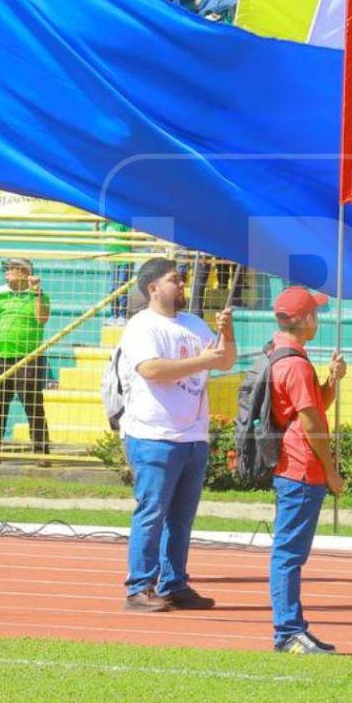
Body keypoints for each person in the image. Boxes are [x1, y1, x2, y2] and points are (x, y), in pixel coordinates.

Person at [118, 257, 234, 612]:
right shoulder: (142, 327)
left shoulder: (194, 323)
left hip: (192, 437)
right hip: (154, 434)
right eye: (174, 280)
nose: (182, 284)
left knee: (181, 518)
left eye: (181, 279)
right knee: (152, 512)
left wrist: (227, 332)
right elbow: (152, 369)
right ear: (153, 288)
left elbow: (225, 361)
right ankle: (139, 586)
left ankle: (174, 583)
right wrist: (203, 361)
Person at [266, 286, 346, 654]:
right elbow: (312, 421)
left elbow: (312, 406)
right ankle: (287, 631)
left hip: (295, 466)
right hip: (300, 468)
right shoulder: (295, 365)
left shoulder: (285, 355)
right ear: (303, 320)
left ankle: (293, 628)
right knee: (289, 554)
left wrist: (331, 381)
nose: (319, 318)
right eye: (315, 312)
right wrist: (331, 471)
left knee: (291, 553)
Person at [0, 257, 51, 454]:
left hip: (28, 358)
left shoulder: (39, 295)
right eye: (7, 268)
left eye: (12, 268)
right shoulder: (0, 294)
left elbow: (42, 318)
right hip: (1, 356)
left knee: (33, 404)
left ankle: (41, 449)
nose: (7, 271)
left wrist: (36, 293)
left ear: (25, 273)